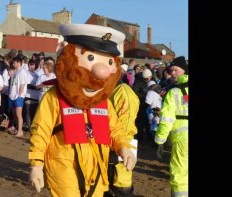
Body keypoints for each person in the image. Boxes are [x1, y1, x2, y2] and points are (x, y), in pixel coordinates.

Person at [28, 24, 136, 196]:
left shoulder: (102, 102)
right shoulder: (54, 97)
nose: (101, 72)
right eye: (91, 58)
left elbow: (114, 128)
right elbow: (41, 132)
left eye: (109, 62)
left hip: (97, 168)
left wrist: (124, 147)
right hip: (63, 166)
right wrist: (36, 164)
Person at [154, 56, 188, 197]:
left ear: (184, 70)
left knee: (179, 174)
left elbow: (167, 118)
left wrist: (160, 140)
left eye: (175, 70)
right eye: (170, 70)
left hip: (182, 139)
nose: (172, 73)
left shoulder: (174, 92)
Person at [105, 82, 139, 197]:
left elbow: (125, 130)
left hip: (119, 155)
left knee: (121, 187)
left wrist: (117, 150)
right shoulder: (109, 91)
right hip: (110, 150)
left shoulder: (122, 93)